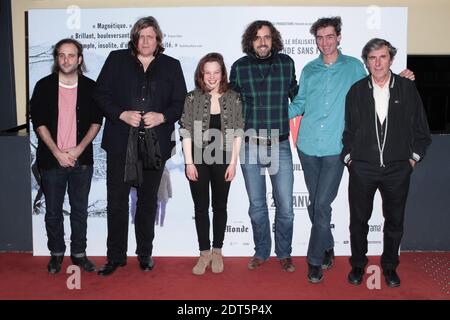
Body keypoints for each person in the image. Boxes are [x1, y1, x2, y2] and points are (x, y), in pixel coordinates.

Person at [289, 17, 415, 283]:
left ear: (339, 38)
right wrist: (270, 115)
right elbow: (299, 104)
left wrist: (402, 76)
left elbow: (377, 82)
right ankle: (327, 244)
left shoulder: (355, 67)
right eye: (320, 37)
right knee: (316, 204)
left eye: (330, 36)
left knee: (322, 203)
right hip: (308, 146)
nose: (325, 42)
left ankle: (315, 261)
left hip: (336, 149)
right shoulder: (309, 69)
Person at [94, 16, 187, 276]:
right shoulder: (116, 60)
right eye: (141, 36)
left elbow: (180, 102)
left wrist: (163, 116)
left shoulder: (171, 65)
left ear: (158, 40)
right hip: (120, 142)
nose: (145, 41)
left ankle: (145, 253)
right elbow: (100, 94)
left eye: (150, 36)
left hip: (155, 144)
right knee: (117, 202)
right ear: (134, 39)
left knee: (147, 202)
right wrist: (121, 114)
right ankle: (115, 257)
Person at [342, 38, 431, 287]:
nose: (378, 62)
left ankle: (390, 267)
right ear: (367, 62)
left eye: (382, 57)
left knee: (394, 222)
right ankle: (358, 266)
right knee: (358, 222)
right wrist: (350, 160)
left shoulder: (406, 88)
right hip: (362, 168)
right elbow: (348, 131)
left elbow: (421, 131)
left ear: (391, 59)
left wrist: (412, 160)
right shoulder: (356, 91)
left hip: (397, 169)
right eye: (372, 58)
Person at [230, 21, 298, 272]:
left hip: (279, 144)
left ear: (273, 40)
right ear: (251, 41)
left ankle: (285, 252)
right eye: (258, 37)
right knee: (257, 205)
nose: (262, 42)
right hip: (250, 146)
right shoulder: (239, 67)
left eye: (267, 37)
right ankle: (261, 251)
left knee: (286, 207)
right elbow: (230, 105)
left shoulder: (286, 63)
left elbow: (298, 95)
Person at [30, 38, 102, 274]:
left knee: (80, 211)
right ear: (56, 58)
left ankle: (79, 254)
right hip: (52, 160)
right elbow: (38, 123)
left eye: (71, 55)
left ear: (79, 59)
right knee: (53, 212)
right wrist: (57, 152)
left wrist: (78, 149)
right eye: (61, 55)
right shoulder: (43, 86)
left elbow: (95, 122)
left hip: (81, 161)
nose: (66, 59)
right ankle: (57, 253)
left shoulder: (91, 88)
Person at [180, 53, 243, 275]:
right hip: (197, 158)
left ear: (222, 74)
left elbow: (237, 132)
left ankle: (217, 251)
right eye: (208, 72)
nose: (212, 77)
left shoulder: (233, 98)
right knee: (200, 207)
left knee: (220, 206)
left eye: (216, 72)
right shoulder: (191, 98)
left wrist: (233, 163)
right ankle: (204, 253)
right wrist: (189, 162)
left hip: (224, 158)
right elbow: (186, 132)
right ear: (201, 74)